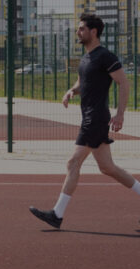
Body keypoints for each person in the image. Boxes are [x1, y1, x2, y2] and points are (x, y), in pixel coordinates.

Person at [29, 14, 135, 229]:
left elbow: (124, 83)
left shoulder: (105, 56)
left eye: (81, 29)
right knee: (108, 168)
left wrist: (120, 114)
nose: (78, 32)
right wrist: (71, 91)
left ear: (93, 31)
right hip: (89, 117)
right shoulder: (86, 57)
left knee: (73, 162)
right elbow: (83, 81)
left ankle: (57, 215)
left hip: (96, 118)